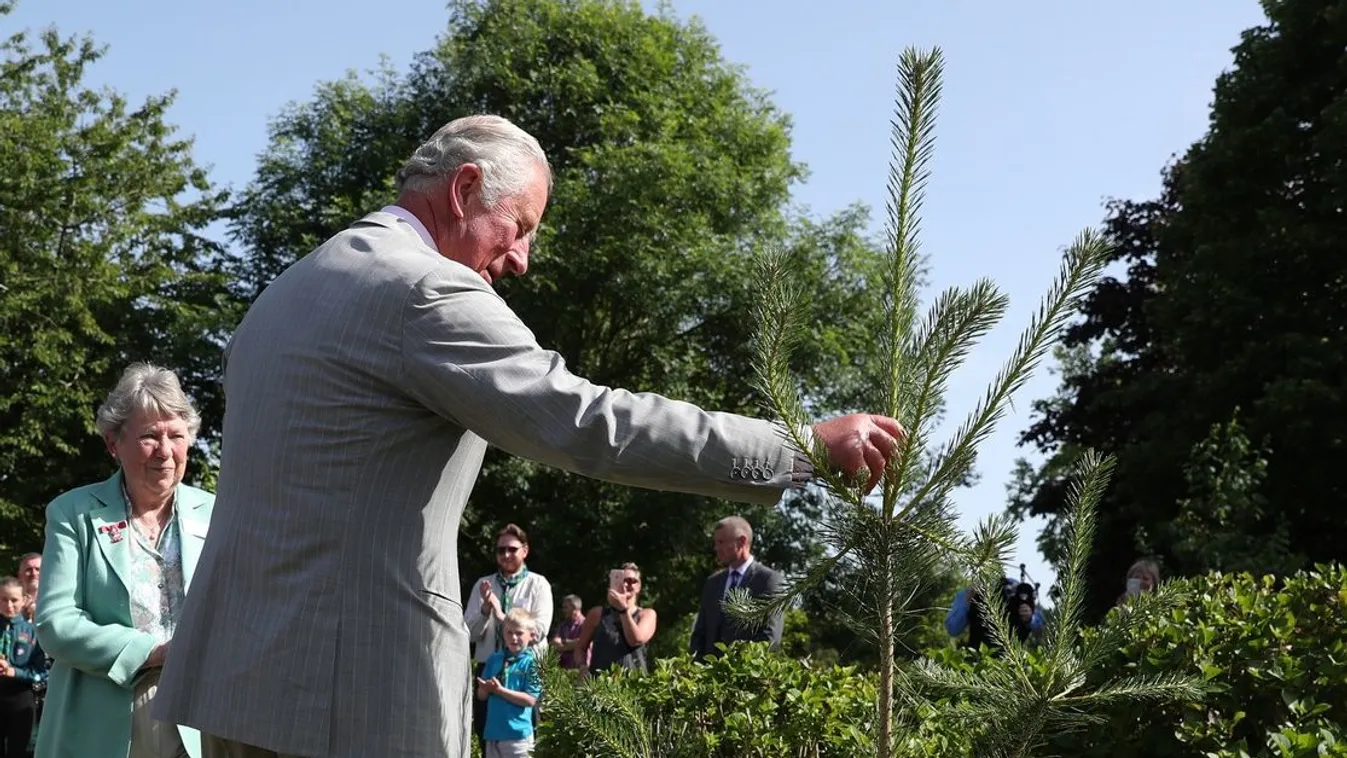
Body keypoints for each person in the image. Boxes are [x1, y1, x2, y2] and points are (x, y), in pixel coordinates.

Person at [154, 114, 906, 758]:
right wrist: (799, 446)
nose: (520, 258)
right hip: (352, 695)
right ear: (462, 190)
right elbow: (588, 423)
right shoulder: (424, 289)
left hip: (236, 683)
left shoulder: (289, 290)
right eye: (518, 227)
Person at [35, 363, 215, 758]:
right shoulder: (74, 512)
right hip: (99, 720)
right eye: (149, 436)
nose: (165, 452)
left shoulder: (216, 512)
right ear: (113, 442)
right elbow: (54, 621)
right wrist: (149, 653)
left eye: (177, 436)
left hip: (199, 719)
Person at [464, 524, 552, 748]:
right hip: (489, 666)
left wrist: (501, 615)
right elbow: (469, 633)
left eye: (512, 549)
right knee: (486, 735)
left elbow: (538, 631)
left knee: (525, 738)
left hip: (525, 667)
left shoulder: (538, 584)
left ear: (525, 550)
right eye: (500, 550)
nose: (506, 555)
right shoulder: (484, 585)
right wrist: (486, 610)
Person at [689, 516, 785, 659]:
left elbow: (770, 638)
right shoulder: (712, 583)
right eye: (716, 543)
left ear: (742, 541)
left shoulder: (768, 581)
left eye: (721, 542)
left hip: (745, 675)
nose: (716, 548)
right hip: (707, 676)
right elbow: (699, 633)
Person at [475, 608, 542, 758]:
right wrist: (484, 689)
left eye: (519, 633)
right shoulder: (494, 659)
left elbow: (531, 699)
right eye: (509, 632)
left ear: (531, 635)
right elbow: (482, 696)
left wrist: (499, 691)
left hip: (518, 736)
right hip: (493, 734)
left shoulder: (532, 664)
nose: (513, 637)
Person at [574, 563, 655, 676]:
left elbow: (635, 640)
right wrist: (582, 668)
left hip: (635, 686)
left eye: (632, 581)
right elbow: (580, 648)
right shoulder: (597, 614)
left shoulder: (647, 615)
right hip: (600, 685)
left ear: (639, 586)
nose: (626, 584)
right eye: (622, 580)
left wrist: (623, 610)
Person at [0, 576, 46, 758]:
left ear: (24, 599)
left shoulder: (34, 633)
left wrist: (14, 671)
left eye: (14, 600)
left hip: (21, 700)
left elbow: (44, 673)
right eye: (3, 600)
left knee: (18, 752)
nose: (9, 605)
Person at [945, 576, 1044, 650]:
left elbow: (1040, 622)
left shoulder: (1013, 587)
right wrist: (967, 602)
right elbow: (953, 629)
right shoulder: (966, 593)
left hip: (1010, 658)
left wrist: (1029, 617)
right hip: (977, 658)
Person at [549, 595, 587, 672]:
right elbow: (553, 644)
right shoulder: (563, 625)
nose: (563, 610)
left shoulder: (585, 624)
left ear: (574, 607)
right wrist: (571, 645)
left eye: (566, 607)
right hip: (563, 669)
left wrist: (563, 643)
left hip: (579, 670)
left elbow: (581, 643)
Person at [16, 556, 39, 623]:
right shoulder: (7, 601)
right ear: (19, 575)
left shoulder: (56, 601)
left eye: (38, 569)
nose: (34, 573)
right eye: (28, 569)